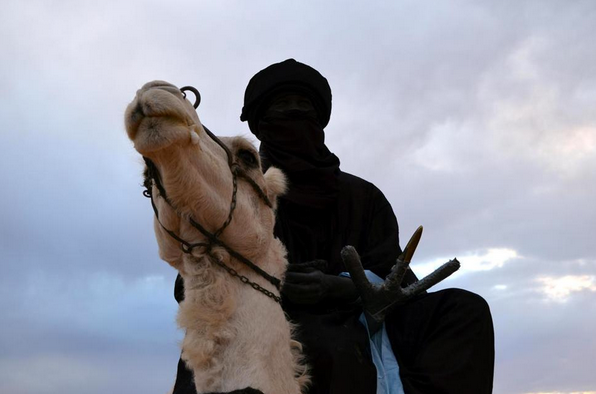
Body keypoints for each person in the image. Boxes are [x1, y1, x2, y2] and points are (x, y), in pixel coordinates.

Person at [172, 59, 494, 394]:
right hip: (263, 319)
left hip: (361, 313)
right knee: (321, 341)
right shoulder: (232, 193)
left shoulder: (363, 196)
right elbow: (190, 282)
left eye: (305, 107)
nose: (296, 115)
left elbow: (395, 275)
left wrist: (341, 286)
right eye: (283, 106)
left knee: (465, 309)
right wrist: (274, 283)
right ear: (260, 124)